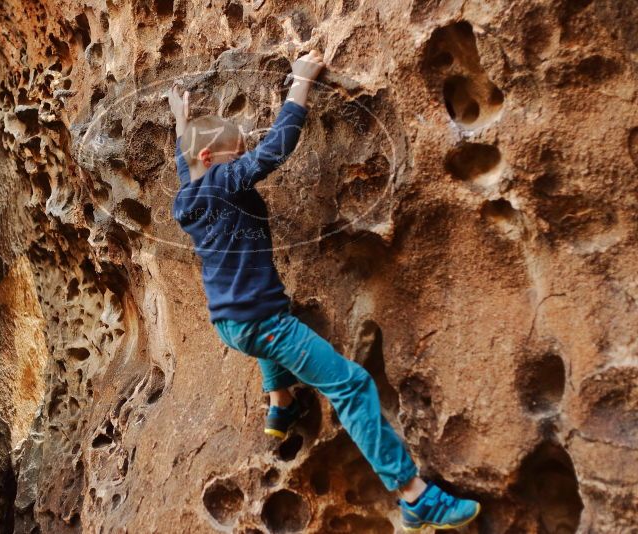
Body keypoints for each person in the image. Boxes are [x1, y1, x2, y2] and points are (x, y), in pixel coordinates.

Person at [167, 50, 481, 531]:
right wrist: (300, 84)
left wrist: (181, 123)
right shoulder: (227, 182)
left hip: (230, 324)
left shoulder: (188, 197)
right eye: (236, 153)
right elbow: (273, 150)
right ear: (214, 159)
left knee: (273, 316)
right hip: (259, 325)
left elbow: (186, 161)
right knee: (351, 384)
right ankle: (415, 496)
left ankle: (281, 406)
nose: (243, 158)